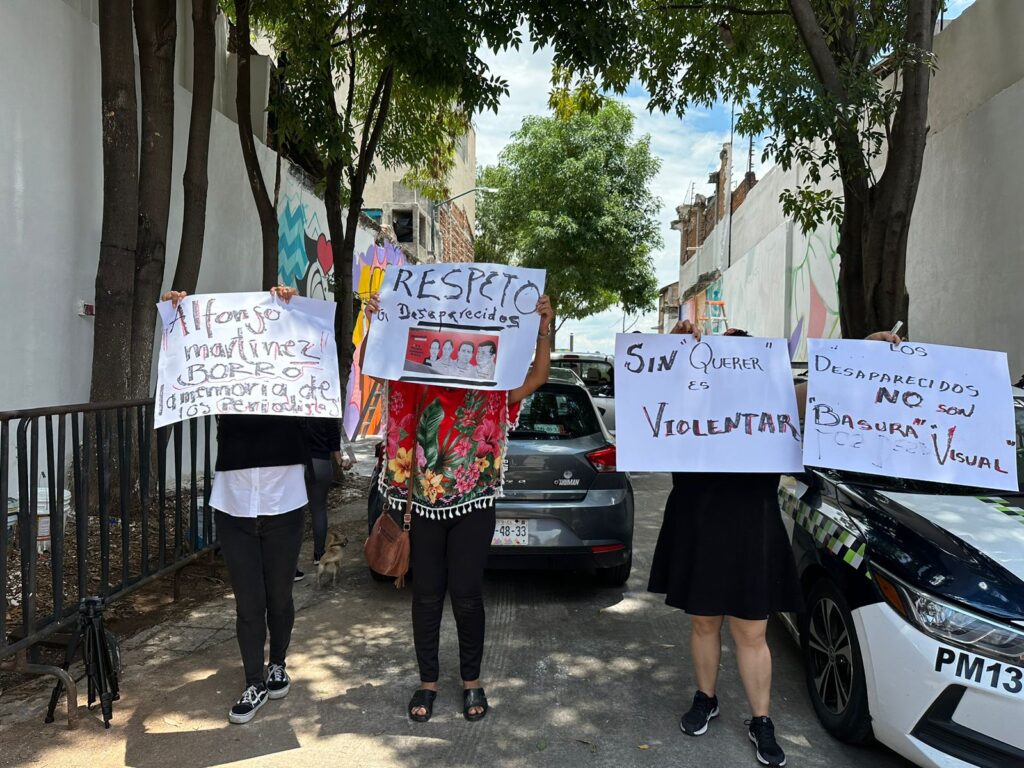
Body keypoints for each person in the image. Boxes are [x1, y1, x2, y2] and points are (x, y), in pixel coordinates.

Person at [648, 320, 901, 767]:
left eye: (738, 358)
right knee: (704, 622)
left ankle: (761, 719)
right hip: (698, 523)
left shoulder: (777, 401)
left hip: (751, 526)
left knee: (752, 630)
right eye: (719, 355)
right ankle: (705, 698)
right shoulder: (688, 397)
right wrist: (674, 344)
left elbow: (827, 381)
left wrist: (864, 351)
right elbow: (651, 382)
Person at [364, 293, 555, 723]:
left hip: (474, 504)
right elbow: (372, 367)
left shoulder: (492, 392)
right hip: (424, 507)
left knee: (467, 596)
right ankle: (427, 682)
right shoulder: (413, 380)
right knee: (427, 596)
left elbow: (540, 374)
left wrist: (544, 328)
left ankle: (472, 681)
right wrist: (376, 321)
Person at [161, 286, 310, 726]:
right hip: (234, 500)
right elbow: (188, 359)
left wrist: (293, 305)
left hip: (284, 499)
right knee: (248, 600)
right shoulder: (222, 372)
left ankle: (277, 661)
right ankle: (253, 681)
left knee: (279, 595)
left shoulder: (292, 370)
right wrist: (180, 314)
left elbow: (313, 351)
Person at [301, 417, 344, 567]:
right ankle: (319, 554)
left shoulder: (290, 399)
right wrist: (339, 460)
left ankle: (291, 566)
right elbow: (333, 432)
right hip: (320, 461)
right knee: (318, 510)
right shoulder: (325, 399)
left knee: (293, 513)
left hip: (294, 462)